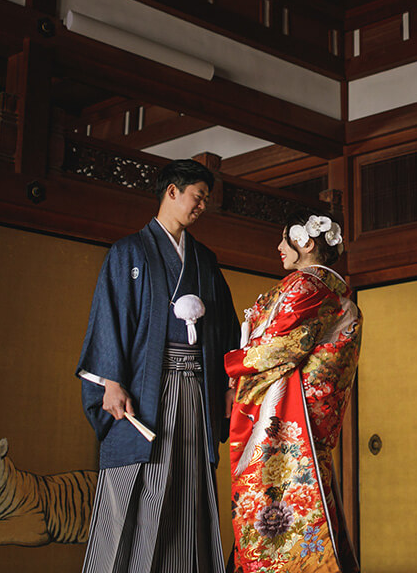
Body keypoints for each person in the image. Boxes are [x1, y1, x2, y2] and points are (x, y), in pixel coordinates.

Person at [76, 159, 241, 573]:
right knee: (135, 487)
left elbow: (223, 328)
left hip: (196, 392)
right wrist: (110, 382)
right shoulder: (129, 252)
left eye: (205, 199)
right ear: (172, 191)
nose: (202, 206)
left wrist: (227, 386)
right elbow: (109, 319)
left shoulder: (204, 260)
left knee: (189, 488)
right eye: (198, 197)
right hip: (145, 389)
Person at [225, 211, 361, 573]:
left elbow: (279, 346)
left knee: (276, 492)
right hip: (312, 413)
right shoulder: (336, 292)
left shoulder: (304, 286)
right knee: (311, 493)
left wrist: (233, 363)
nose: (279, 247)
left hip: (287, 407)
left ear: (306, 243)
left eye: (286, 240)